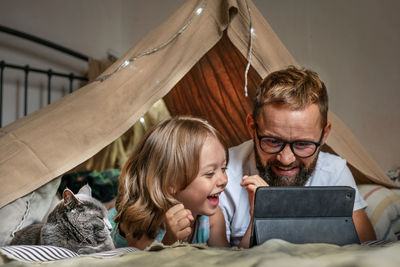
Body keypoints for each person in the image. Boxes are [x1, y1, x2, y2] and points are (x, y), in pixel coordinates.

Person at [219, 66, 376, 247]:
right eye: (272, 141)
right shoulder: (223, 176)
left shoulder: (334, 173)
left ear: (324, 134)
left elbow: (368, 252)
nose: (286, 159)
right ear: (251, 127)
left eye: (302, 144)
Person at [109, 116, 230, 249]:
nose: (224, 180)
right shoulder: (139, 223)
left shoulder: (211, 218)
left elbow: (229, 260)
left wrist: (256, 216)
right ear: (171, 182)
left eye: (224, 169)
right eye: (210, 173)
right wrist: (170, 241)